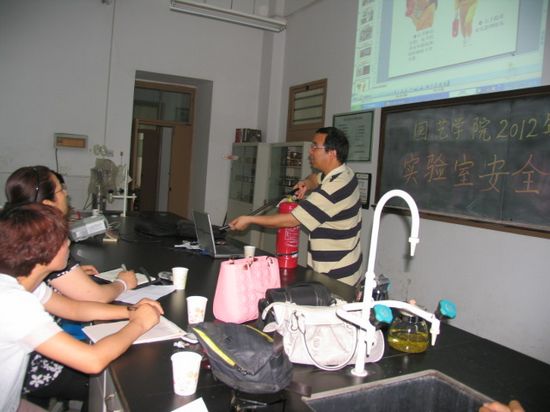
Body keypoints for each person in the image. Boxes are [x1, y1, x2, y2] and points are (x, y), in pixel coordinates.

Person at [0, 203, 162, 412]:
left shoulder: (23, 282)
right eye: (64, 240)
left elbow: (74, 309)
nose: (69, 243)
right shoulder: (14, 303)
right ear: (43, 251)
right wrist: (139, 324)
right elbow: (92, 361)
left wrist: (130, 312)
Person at [229, 127, 362, 285]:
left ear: (332, 153)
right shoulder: (343, 173)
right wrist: (306, 183)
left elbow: (291, 220)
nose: (310, 151)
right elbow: (315, 178)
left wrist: (250, 219)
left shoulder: (336, 186)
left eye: (315, 147)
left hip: (337, 274)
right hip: (335, 266)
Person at [4, 165, 137, 302]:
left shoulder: (15, 233)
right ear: (48, 204)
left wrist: (65, 275)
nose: (66, 193)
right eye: (61, 189)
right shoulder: (44, 239)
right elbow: (95, 296)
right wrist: (123, 283)